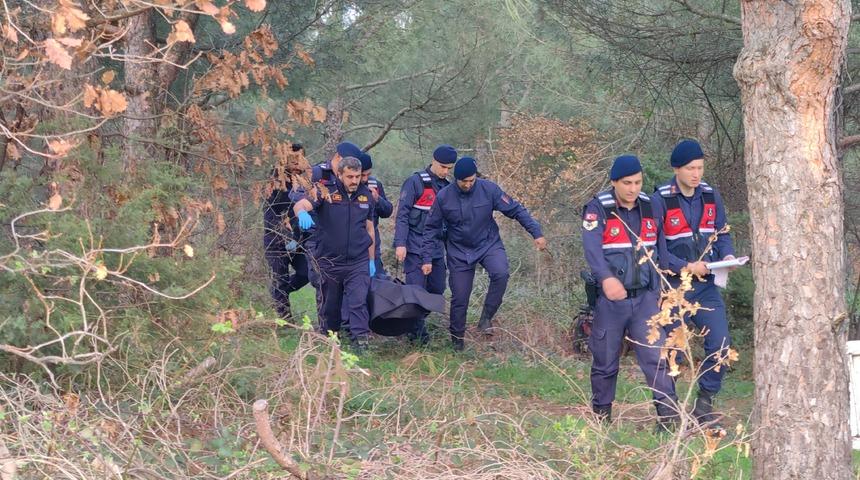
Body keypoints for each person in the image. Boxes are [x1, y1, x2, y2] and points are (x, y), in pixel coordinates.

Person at [581, 154, 678, 428]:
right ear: (614, 182)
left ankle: (669, 419)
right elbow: (592, 249)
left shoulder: (651, 207)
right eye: (627, 183)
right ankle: (602, 417)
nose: (633, 189)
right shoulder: (598, 208)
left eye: (637, 182)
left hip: (646, 299)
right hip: (611, 302)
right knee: (605, 360)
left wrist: (661, 289)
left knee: (655, 358)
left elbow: (661, 251)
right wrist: (606, 279)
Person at [651, 139, 736, 428]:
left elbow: (722, 231)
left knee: (721, 343)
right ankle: (669, 412)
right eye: (690, 168)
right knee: (671, 349)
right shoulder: (660, 198)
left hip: (707, 285)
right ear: (677, 169)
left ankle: (705, 402)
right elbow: (657, 249)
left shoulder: (711, 195)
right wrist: (685, 266)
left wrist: (727, 255)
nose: (696, 174)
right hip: (673, 286)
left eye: (700, 167)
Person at [421, 157, 546, 351]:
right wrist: (427, 258)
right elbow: (430, 228)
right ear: (457, 179)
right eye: (465, 182)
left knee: (501, 273)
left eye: (472, 180)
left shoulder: (489, 189)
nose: (469, 184)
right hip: (459, 251)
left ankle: (486, 317)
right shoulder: (444, 197)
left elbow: (515, 210)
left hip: (488, 244)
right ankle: (457, 341)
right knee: (460, 297)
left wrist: (536, 233)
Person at [293, 156, 376, 353]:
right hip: (329, 260)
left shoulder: (366, 195)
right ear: (339, 174)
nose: (354, 181)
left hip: (358, 261)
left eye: (357, 176)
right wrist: (302, 213)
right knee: (330, 306)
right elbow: (301, 204)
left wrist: (372, 260)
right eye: (349, 176)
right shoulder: (326, 191)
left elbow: (370, 229)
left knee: (358, 302)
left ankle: (361, 343)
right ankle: (329, 342)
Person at [393, 144, 456, 343]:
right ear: (434, 162)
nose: (446, 171)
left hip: (436, 250)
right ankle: (418, 337)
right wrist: (400, 243)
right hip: (414, 248)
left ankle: (407, 323)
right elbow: (402, 214)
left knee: (437, 290)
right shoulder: (415, 182)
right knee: (416, 292)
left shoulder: (448, 187)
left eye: (449, 168)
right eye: (443, 167)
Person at [300, 141, 365, 319]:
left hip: (338, 235)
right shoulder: (318, 172)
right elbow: (297, 193)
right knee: (321, 282)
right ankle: (324, 327)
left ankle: (341, 324)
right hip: (314, 232)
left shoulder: (349, 179)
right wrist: (310, 206)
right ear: (337, 157)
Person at [263, 143, 310, 320]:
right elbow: (271, 213)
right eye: (293, 159)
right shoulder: (275, 181)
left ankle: (277, 293)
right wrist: (283, 234)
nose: (298, 163)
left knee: (307, 273)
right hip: (276, 239)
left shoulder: (305, 182)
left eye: (301, 159)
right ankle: (284, 320)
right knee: (280, 278)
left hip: (299, 240)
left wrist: (298, 236)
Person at [358, 150, 393, 276]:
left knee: (377, 281)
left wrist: (378, 199)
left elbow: (387, 211)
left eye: (368, 174)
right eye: (362, 175)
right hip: (353, 243)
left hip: (372, 242)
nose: (365, 179)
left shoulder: (375, 184)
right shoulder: (348, 185)